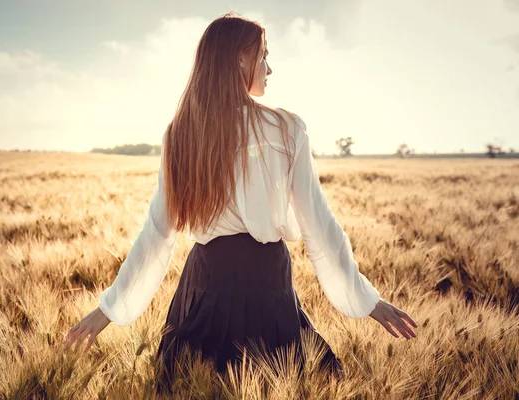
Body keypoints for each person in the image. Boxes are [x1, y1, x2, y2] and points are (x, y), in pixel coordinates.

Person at [62, 11, 418, 395]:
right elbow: (319, 225)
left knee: (193, 388)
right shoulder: (286, 129)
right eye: (264, 55)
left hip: (205, 283)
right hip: (267, 283)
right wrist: (366, 300)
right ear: (240, 59)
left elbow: (156, 236)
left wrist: (109, 310)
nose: (270, 67)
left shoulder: (181, 133)